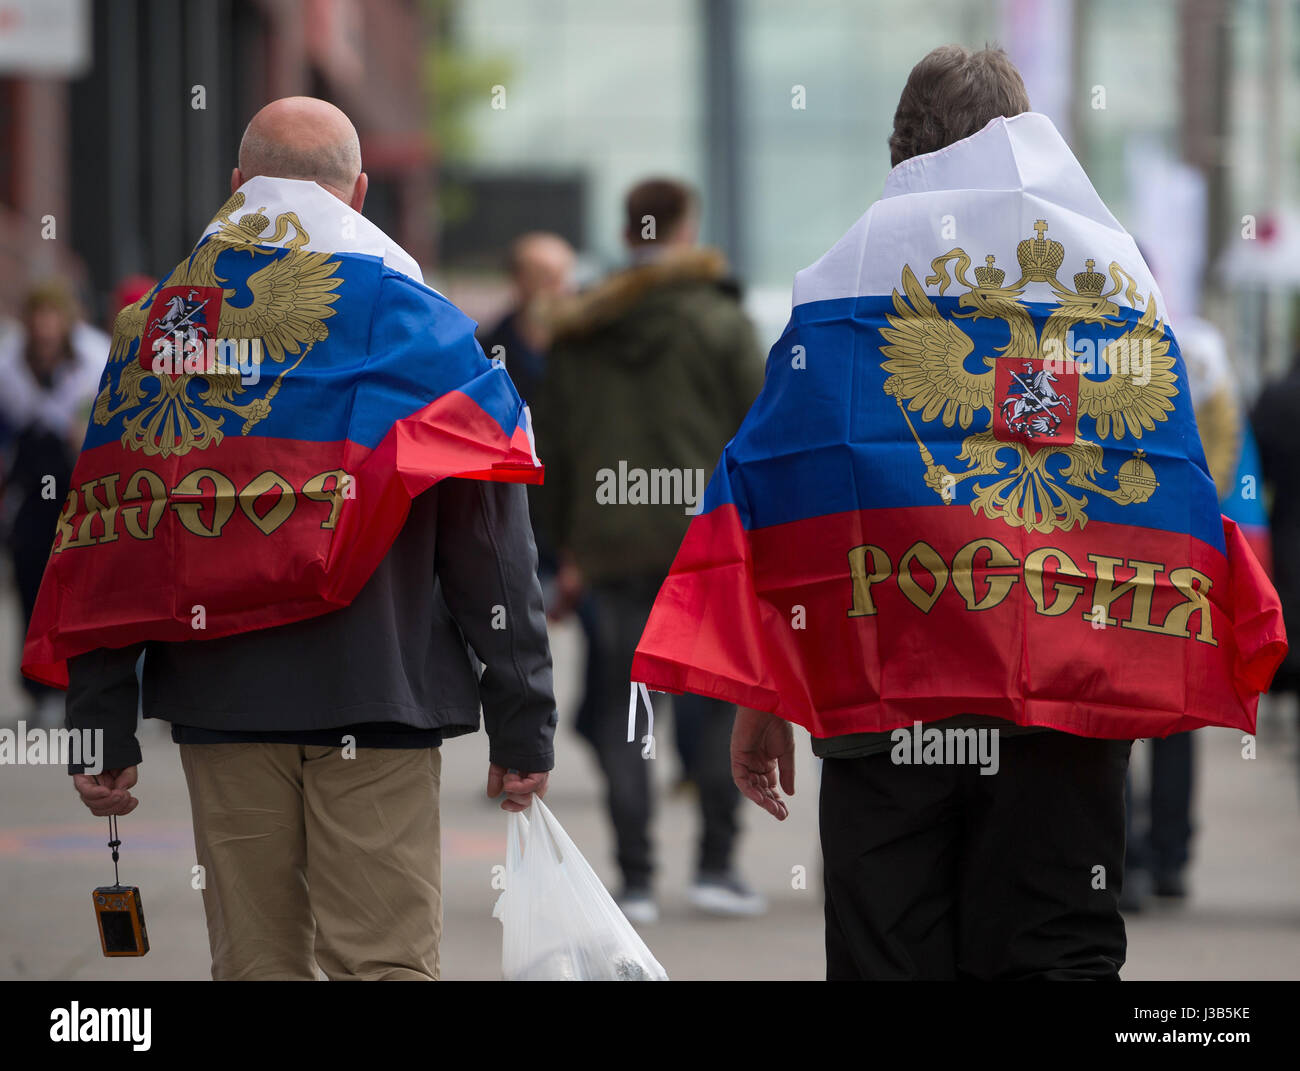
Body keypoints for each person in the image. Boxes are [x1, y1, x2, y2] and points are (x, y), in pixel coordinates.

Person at [630, 46, 1285, 979]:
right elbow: (1175, 484)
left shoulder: (844, 286)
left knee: (887, 953)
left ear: (903, 148)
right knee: (1057, 944)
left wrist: (763, 692)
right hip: (1063, 693)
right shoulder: (1121, 289)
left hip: (888, 688)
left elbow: (775, 484)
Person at [49, 97, 556, 980]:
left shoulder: (164, 328)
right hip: (378, 692)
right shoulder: (420, 324)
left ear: (238, 186)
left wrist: (99, 722)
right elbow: (489, 536)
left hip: (224, 701)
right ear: (358, 192)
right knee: (385, 961)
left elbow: (113, 519)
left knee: (255, 966)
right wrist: (523, 714)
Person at [542, 178, 765, 922]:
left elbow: (557, 449)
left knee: (626, 714)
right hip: (703, 545)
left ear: (627, 226)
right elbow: (758, 435)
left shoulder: (578, 329)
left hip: (610, 542)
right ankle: (716, 867)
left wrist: (560, 550)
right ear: (687, 224)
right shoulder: (722, 321)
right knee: (712, 703)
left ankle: (635, 879)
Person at [0, 281, 107, 723]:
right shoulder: (10, 363)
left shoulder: (92, 359)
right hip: (30, 487)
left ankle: (83, 687)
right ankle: (38, 684)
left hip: (77, 484)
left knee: (80, 586)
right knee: (30, 581)